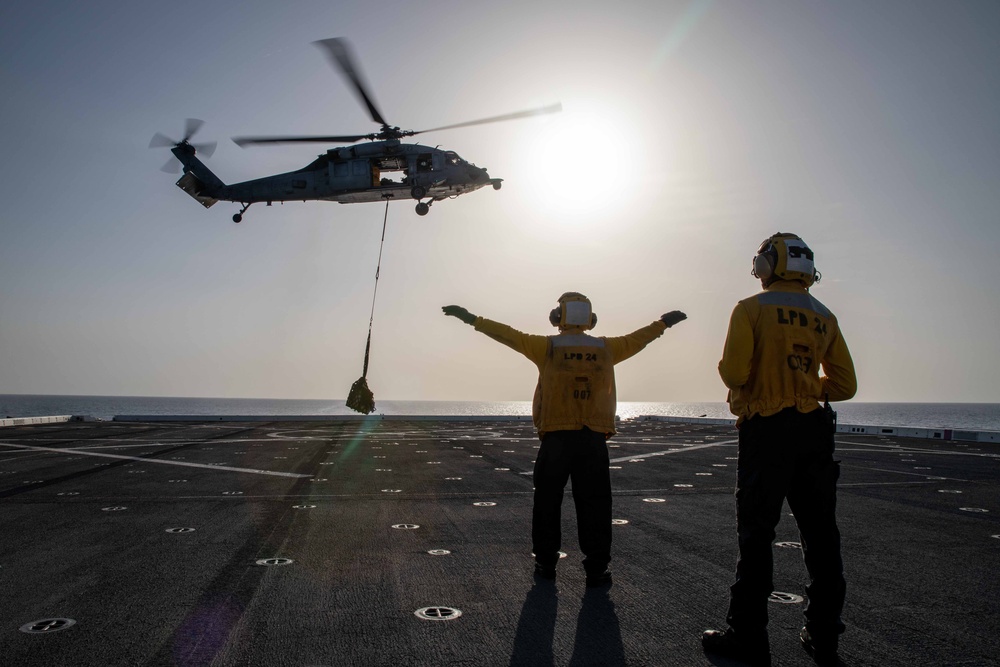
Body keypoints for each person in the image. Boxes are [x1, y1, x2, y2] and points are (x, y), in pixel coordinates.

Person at [442, 293, 687, 587]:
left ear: (557, 317)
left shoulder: (547, 346)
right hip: (593, 438)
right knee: (595, 503)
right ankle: (596, 568)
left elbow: (507, 335)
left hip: (556, 438)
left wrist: (471, 318)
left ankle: (546, 563)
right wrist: (663, 323)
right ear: (590, 320)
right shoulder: (606, 347)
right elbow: (639, 338)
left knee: (547, 500)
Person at [702, 233, 857, 667]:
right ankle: (824, 636)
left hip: (766, 431)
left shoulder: (750, 308)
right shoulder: (825, 316)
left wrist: (769, 382)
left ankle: (748, 636)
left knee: (757, 537)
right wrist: (806, 385)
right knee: (822, 537)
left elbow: (733, 373)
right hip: (813, 431)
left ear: (769, 264)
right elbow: (845, 385)